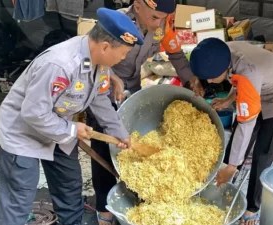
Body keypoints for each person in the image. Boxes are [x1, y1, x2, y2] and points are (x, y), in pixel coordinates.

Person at [0, 8, 143, 225]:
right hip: (23, 132)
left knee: (69, 188)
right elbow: (33, 112)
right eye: (123, 53)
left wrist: (118, 131)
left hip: (59, 128)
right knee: (20, 197)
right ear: (104, 46)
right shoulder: (60, 64)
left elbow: (100, 97)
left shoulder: (100, 64)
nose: (124, 58)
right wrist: (72, 130)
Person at [87, 1, 204, 224]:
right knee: (104, 148)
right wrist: (111, 76)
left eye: (163, 17)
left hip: (133, 88)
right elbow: (93, 55)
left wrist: (191, 79)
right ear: (139, 5)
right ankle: (104, 207)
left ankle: (138, 191)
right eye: (155, 17)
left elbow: (176, 54)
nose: (160, 22)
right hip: (105, 89)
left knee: (129, 145)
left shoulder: (162, 25)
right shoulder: (115, 23)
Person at [189, 38, 273, 225]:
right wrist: (229, 99)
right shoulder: (223, 51)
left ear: (223, 67)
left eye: (211, 77)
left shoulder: (249, 72)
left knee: (262, 154)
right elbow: (239, 81)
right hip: (260, 85)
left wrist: (232, 166)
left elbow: (246, 124)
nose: (208, 81)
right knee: (237, 143)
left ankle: (252, 208)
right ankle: (222, 185)